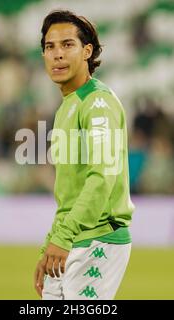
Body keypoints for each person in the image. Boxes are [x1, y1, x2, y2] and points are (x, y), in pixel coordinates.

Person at [34, 10, 134, 300]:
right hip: (72, 238)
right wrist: (49, 244)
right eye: (49, 47)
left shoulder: (98, 102)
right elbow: (69, 194)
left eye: (67, 45)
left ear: (87, 51)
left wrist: (63, 238)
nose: (57, 55)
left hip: (98, 238)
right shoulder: (67, 107)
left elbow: (101, 177)